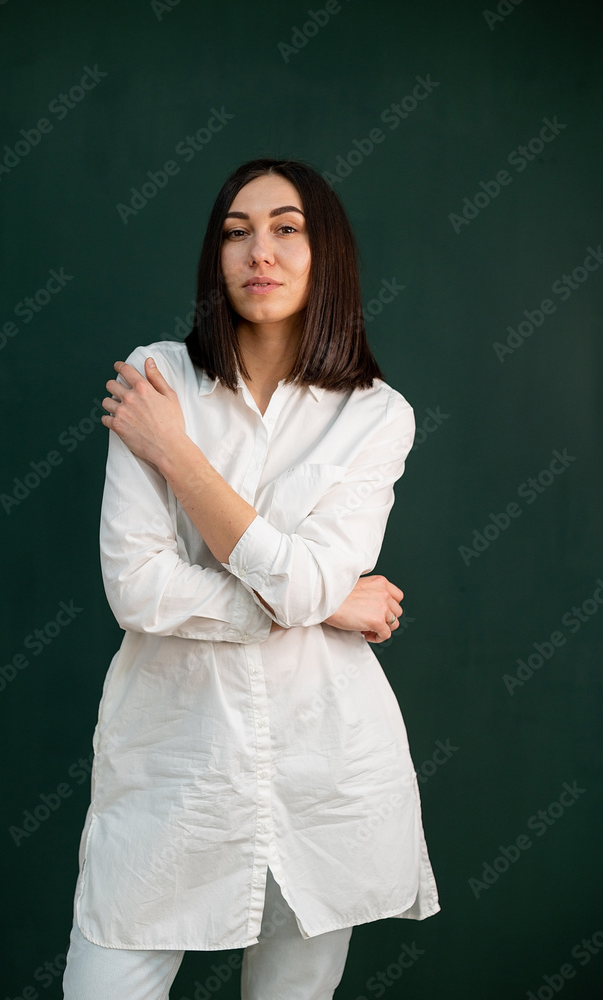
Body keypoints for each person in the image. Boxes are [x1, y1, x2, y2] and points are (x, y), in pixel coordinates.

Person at [62, 157, 439, 999]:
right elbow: (137, 587)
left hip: (325, 767)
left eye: (285, 229)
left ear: (326, 254)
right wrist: (325, 601)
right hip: (173, 760)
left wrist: (178, 456)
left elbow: (294, 586)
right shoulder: (158, 377)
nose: (257, 251)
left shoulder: (377, 415)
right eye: (236, 233)